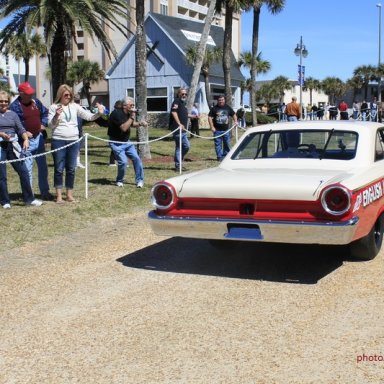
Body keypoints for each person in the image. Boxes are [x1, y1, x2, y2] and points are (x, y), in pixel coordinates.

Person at [48, 84, 105, 204]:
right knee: (59, 169)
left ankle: (69, 195)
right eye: (66, 95)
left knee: (71, 169)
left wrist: (99, 113)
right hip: (59, 140)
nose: (68, 97)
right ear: (60, 95)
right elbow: (51, 125)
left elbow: (89, 117)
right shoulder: (53, 107)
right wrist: (57, 115)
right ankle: (58, 196)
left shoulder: (75, 106)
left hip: (73, 141)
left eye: (70, 95)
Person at [9, 82, 52, 200]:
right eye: (28, 93)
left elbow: (45, 112)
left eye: (31, 93)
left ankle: (45, 192)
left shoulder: (36, 102)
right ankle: (29, 194)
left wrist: (43, 124)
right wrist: (23, 133)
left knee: (43, 167)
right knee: (27, 169)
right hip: (25, 142)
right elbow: (12, 125)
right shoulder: (14, 106)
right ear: (21, 93)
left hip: (39, 138)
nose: (31, 95)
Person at [0, 90, 43, 208]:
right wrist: (1, 134)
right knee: (1, 175)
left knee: (23, 171)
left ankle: (29, 199)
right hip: (0, 146)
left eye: (5, 101)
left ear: (8, 102)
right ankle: (5, 201)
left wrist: (25, 139)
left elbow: (21, 129)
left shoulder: (13, 114)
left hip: (12, 146)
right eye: (1, 101)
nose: (3, 103)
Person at [107, 97, 146, 187]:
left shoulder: (128, 113)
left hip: (126, 141)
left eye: (133, 105)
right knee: (123, 162)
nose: (133, 107)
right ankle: (119, 180)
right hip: (116, 143)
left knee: (137, 159)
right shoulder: (116, 114)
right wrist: (132, 116)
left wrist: (140, 123)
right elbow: (124, 128)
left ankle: (139, 180)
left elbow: (132, 124)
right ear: (124, 106)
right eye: (131, 105)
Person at [208, 95, 237, 161]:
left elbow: (234, 114)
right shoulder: (214, 108)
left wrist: (236, 121)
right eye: (219, 100)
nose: (221, 101)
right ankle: (219, 157)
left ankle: (226, 155)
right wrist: (212, 127)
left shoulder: (227, 107)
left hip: (226, 130)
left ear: (224, 100)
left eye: (222, 100)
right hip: (217, 130)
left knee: (227, 143)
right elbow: (209, 117)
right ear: (217, 101)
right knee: (218, 144)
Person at [169, 87, 191, 171]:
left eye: (186, 94)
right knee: (184, 146)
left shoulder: (182, 103)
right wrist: (179, 124)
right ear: (178, 94)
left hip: (183, 129)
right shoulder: (177, 101)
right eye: (182, 94)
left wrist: (192, 116)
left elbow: (183, 114)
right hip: (177, 128)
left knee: (182, 146)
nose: (184, 95)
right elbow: (174, 112)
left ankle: (178, 163)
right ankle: (178, 164)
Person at [73, 94, 85, 168]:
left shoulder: (81, 108)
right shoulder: (72, 108)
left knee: (78, 147)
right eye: (76, 99)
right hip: (73, 130)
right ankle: (74, 162)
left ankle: (77, 162)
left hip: (79, 130)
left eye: (78, 99)